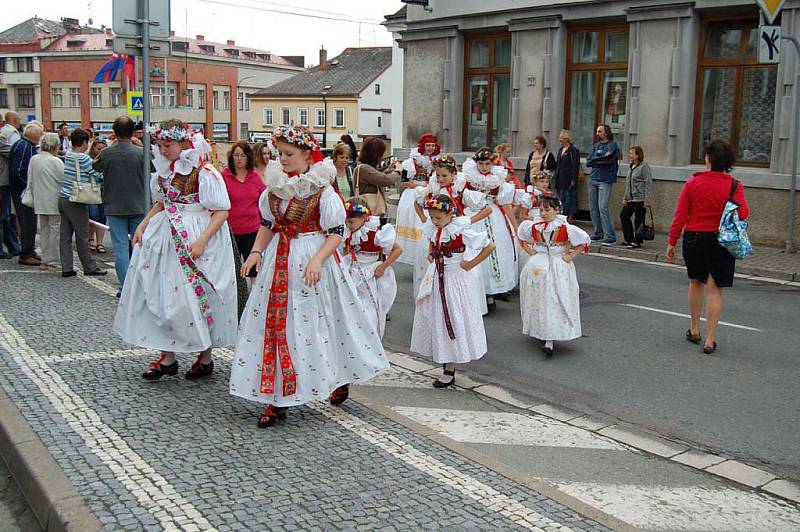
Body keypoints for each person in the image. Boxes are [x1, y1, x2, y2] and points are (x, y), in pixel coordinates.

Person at [230, 125, 389, 428]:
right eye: (280, 153)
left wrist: (317, 259)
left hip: (313, 260)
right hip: (280, 260)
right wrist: (256, 252)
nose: (283, 159)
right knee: (278, 324)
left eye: (288, 154)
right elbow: (268, 223)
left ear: (306, 153)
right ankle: (277, 396)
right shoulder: (274, 186)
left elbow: (336, 233)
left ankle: (336, 375)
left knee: (322, 323)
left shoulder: (322, 190)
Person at [113, 119, 237, 380]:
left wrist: (202, 239)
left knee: (192, 296)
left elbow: (222, 211)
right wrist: (144, 225)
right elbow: (162, 203)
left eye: (166, 144)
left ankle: (204, 356)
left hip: (195, 236)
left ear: (183, 142)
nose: (162, 149)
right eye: (158, 144)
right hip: (165, 237)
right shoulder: (164, 172)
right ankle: (167, 357)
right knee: (160, 294)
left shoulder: (204, 172)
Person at [667, 139, 749, 355]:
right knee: (715, 291)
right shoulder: (734, 185)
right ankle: (710, 339)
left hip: (694, 236)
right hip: (720, 240)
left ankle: (694, 329)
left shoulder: (692, 183)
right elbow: (743, 213)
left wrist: (672, 241)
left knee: (695, 283)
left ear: (708, 159)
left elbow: (680, 215)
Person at [410, 194, 495, 387]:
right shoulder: (434, 228)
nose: (434, 221)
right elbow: (433, 241)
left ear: (451, 215)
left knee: (454, 317)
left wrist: (470, 264)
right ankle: (445, 359)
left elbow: (489, 246)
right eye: (432, 217)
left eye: (438, 218)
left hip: (455, 278)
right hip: (438, 276)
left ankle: (450, 365)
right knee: (437, 317)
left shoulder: (460, 230)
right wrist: (431, 252)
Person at [413, 155, 491, 313]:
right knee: (430, 269)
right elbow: (417, 202)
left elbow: (486, 209)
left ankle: (461, 310)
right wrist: (423, 217)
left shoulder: (461, 191)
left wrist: (467, 221)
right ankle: (433, 307)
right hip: (435, 235)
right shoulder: (432, 190)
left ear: (454, 174)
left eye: (444, 176)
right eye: (438, 175)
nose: (440, 179)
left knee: (461, 278)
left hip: (456, 237)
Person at [518, 195, 590, 357]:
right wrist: (532, 253)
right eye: (541, 209)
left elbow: (584, 241)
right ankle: (541, 331)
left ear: (557, 210)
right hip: (538, 266)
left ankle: (550, 337)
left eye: (547, 209)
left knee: (554, 299)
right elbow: (522, 239)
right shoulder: (533, 226)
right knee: (538, 299)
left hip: (558, 268)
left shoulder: (564, 227)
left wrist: (569, 256)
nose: (543, 213)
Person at [92, 116, 148, 293]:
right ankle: (140, 285)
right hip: (139, 205)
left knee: (121, 248)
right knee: (139, 247)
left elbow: (96, 167)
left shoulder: (107, 153)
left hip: (114, 206)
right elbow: (153, 168)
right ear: (132, 132)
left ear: (114, 133)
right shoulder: (141, 153)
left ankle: (125, 287)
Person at [462, 148, 521, 311]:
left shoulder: (498, 178)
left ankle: (490, 292)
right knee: (474, 249)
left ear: (492, 163)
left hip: (493, 216)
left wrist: (514, 227)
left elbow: (505, 202)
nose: (483, 167)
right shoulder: (468, 177)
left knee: (495, 251)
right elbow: (462, 198)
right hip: (474, 215)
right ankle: (476, 293)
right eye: (480, 163)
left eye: (487, 164)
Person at [341, 198, 403, 338]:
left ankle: (368, 335)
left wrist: (382, 267)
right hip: (351, 269)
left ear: (364, 218)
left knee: (368, 306)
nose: (348, 225)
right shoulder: (349, 232)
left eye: (351, 222)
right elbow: (347, 249)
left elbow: (398, 250)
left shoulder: (374, 234)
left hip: (369, 271)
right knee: (349, 303)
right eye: (346, 221)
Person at [58, 129, 107, 278]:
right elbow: (98, 174)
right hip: (76, 199)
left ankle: (67, 268)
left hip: (63, 197)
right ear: (85, 142)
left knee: (65, 235)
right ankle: (89, 267)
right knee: (82, 235)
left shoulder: (69, 155)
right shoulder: (83, 158)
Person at [397, 133, 439, 286]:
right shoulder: (411, 162)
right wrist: (420, 186)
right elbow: (404, 182)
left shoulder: (436, 161)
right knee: (415, 224)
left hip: (428, 195)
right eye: (428, 145)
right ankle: (416, 260)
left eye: (433, 145)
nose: (430, 148)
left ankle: (424, 258)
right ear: (422, 146)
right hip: (413, 196)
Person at [221, 140, 265, 284]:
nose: (239, 159)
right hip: (231, 231)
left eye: (243, 155)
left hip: (252, 229)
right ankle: (236, 302)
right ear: (231, 157)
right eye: (236, 155)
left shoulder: (255, 177)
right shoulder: (224, 176)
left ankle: (255, 302)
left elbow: (264, 201)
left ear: (248, 157)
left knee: (254, 270)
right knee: (232, 270)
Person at [27, 133, 64, 269]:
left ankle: (44, 258)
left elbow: (30, 179)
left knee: (44, 229)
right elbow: (62, 179)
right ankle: (52, 259)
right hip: (53, 199)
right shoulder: (56, 161)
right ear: (55, 146)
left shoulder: (34, 159)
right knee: (55, 230)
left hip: (39, 199)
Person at [9, 122, 44, 266]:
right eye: (41, 134)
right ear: (36, 136)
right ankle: (26, 254)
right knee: (28, 223)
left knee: (28, 223)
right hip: (22, 192)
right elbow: (19, 171)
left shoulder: (22, 144)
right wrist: (29, 186)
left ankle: (29, 251)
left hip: (20, 191)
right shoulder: (25, 147)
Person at [354, 137, 402, 223]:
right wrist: (398, 171)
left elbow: (376, 179)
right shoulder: (364, 168)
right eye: (381, 154)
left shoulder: (364, 167)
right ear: (375, 154)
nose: (382, 157)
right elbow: (384, 180)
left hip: (369, 214)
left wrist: (387, 171)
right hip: (369, 216)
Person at [586, 124, 619, 246]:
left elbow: (608, 160)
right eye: (597, 131)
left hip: (605, 180)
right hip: (593, 178)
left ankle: (610, 235)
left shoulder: (612, 145)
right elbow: (589, 162)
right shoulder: (596, 146)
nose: (597, 133)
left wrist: (597, 160)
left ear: (606, 132)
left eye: (600, 131)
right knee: (593, 208)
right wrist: (599, 160)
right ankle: (598, 232)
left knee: (603, 207)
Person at [620, 145, 653, 249]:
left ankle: (637, 241)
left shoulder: (644, 167)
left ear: (638, 155)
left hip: (640, 198)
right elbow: (628, 183)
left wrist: (647, 200)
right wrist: (625, 197)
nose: (629, 155)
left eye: (631, 153)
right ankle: (629, 239)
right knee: (624, 215)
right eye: (629, 153)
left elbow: (648, 183)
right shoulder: (630, 166)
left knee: (638, 220)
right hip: (630, 197)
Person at [0, 111, 22, 258]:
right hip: (3, 181)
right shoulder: (5, 135)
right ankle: (8, 247)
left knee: (6, 215)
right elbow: (13, 151)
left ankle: (12, 246)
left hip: (4, 180)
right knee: (4, 216)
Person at [553, 130, 580, 223]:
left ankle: (569, 218)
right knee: (560, 199)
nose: (559, 140)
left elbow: (575, 166)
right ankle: (561, 216)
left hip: (568, 179)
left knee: (569, 199)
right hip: (560, 178)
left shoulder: (573, 151)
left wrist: (573, 179)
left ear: (567, 139)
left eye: (561, 138)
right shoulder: (560, 150)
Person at [87, 138, 108, 253]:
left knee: (102, 218)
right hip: (91, 190)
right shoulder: (89, 160)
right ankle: (90, 239)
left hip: (104, 191)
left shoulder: (108, 159)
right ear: (93, 148)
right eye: (99, 149)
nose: (101, 151)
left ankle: (100, 242)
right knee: (93, 215)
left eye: (104, 149)